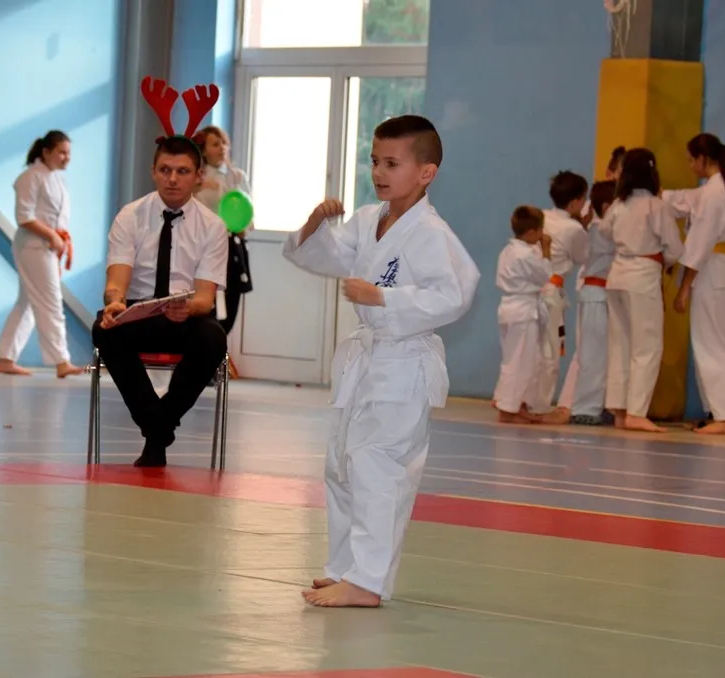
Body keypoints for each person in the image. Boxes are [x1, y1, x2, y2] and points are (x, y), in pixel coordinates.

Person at [282, 115, 479, 608]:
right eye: (374, 161)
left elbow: (456, 293)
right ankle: (344, 569)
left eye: (392, 163)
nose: (379, 172)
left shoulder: (430, 232)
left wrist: (384, 297)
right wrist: (314, 224)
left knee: (379, 467)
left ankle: (368, 582)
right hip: (367, 360)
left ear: (426, 172)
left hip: (403, 364)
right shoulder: (371, 218)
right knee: (342, 464)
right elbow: (331, 256)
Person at [93, 135, 228, 468]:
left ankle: (157, 430)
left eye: (182, 171)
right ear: (153, 171)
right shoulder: (130, 216)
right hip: (139, 310)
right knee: (105, 329)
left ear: (198, 176)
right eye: (165, 170)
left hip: (186, 313)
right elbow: (117, 280)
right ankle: (158, 428)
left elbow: (205, 297)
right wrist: (114, 302)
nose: (173, 179)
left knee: (213, 338)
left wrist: (189, 308)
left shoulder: (212, 226)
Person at [662, 133, 725, 435]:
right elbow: (684, 200)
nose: (690, 165)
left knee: (712, 345)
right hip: (720, 268)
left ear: (704, 159)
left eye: (691, 159)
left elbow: (699, 244)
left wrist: (684, 288)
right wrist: (657, 194)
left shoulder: (714, 194)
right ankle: (720, 413)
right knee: (714, 343)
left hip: (711, 270)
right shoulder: (718, 189)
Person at [602, 149, 685, 432]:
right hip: (642, 276)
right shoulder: (655, 206)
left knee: (620, 344)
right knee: (646, 345)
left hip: (617, 275)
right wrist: (665, 260)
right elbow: (675, 248)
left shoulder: (618, 205)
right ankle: (637, 412)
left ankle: (620, 411)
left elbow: (605, 232)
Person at [0, 130, 84, 378]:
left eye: (68, 153)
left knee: (27, 303)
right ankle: (62, 361)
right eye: (61, 152)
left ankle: (5, 358)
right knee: (51, 300)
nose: (66, 157)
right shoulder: (30, 177)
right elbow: (24, 217)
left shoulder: (56, 178)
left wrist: (58, 239)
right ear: (46, 152)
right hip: (34, 246)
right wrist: (52, 236)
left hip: (47, 246)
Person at [555, 180, 617, 425]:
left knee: (600, 353)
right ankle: (586, 408)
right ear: (608, 206)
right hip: (596, 294)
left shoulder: (593, 228)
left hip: (600, 294)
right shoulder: (601, 230)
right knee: (593, 353)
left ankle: (596, 404)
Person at [535, 171, 590, 420]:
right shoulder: (573, 229)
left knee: (530, 348)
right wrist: (584, 226)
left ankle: (520, 401)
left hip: (532, 289)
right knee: (550, 350)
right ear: (576, 201)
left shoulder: (541, 217)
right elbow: (583, 257)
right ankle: (539, 405)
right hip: (552, 291)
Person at [192, 125, 253, 335]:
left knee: (230, 304)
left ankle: (219, 345)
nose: (222, 148)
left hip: (232, 247)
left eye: (224, 143)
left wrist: (242, 226)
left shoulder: (238, 177)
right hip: (204, 247)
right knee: (206, 306)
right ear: (203, 150)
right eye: (215, 144)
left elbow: (248, 217)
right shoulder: (196, 178)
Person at [493, 206, 551, 424]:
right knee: (519, 362)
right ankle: (508, 409)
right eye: (541, 230)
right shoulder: (525, 254)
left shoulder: (508, 251)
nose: (542, 235)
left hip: (510, 308)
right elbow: (545, 275)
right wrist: (546, 250)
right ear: (531, 232)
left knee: (518, 360)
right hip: (522, 310)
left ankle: (516, 404)